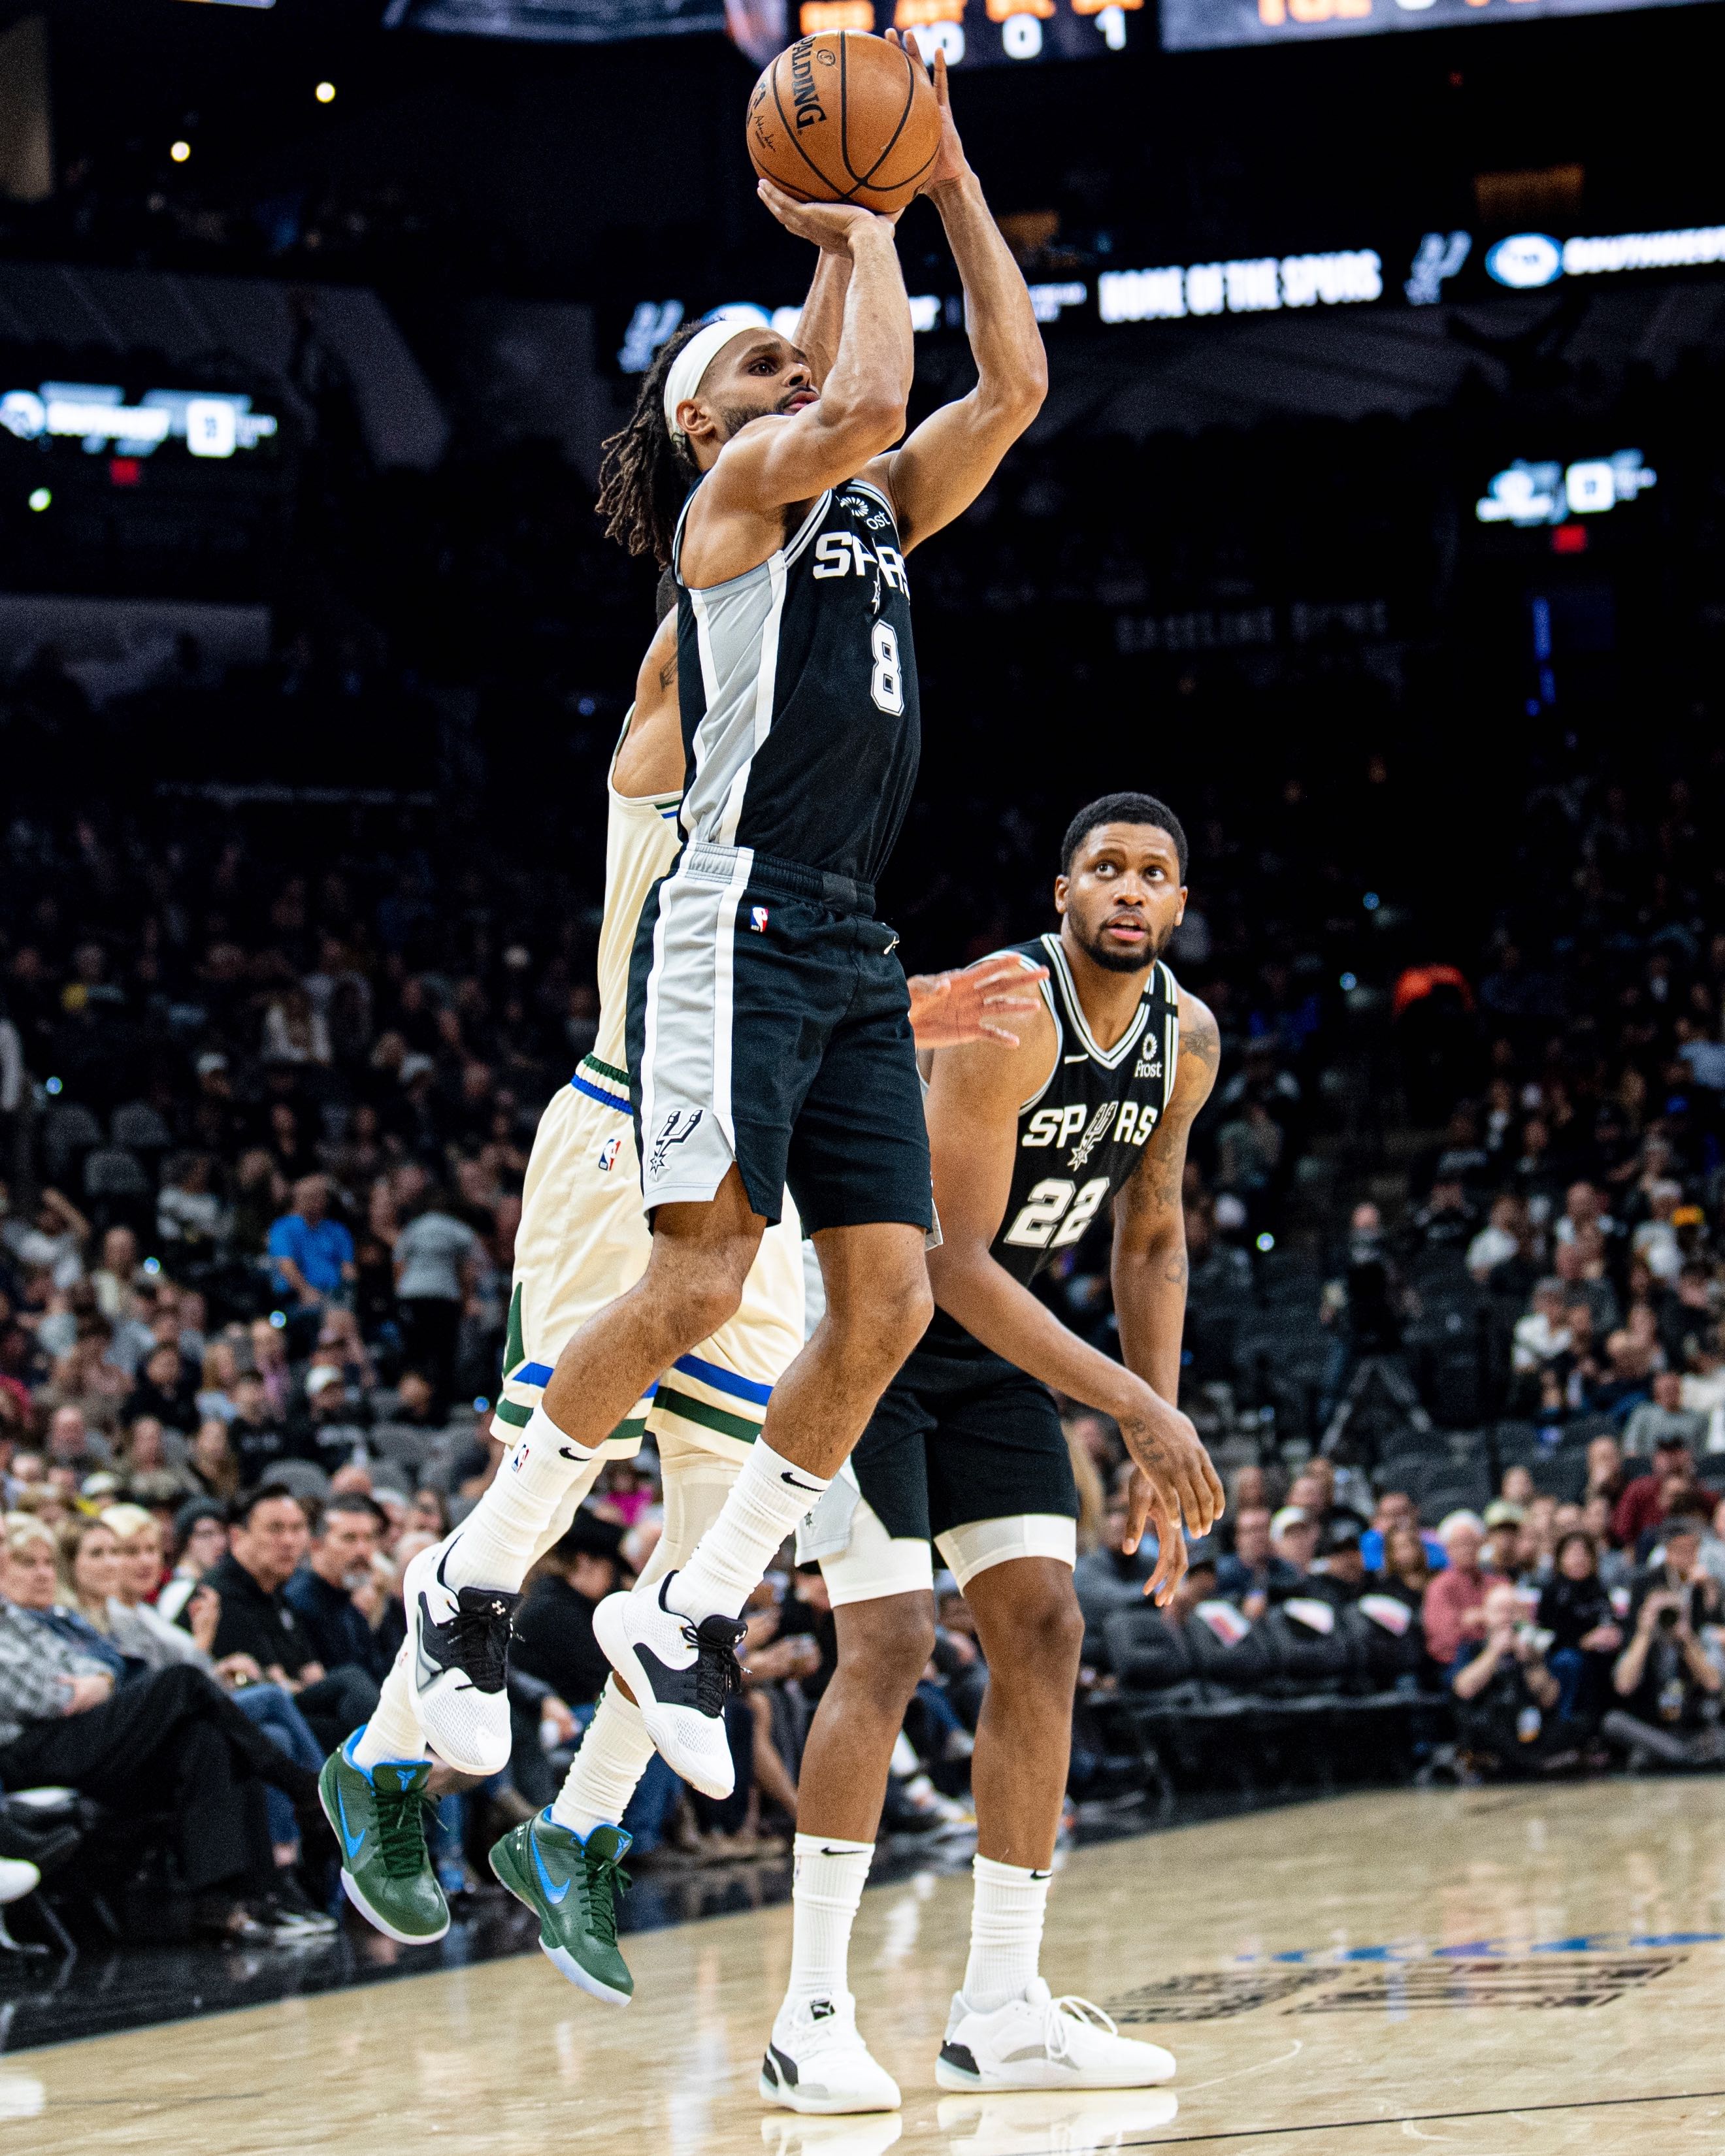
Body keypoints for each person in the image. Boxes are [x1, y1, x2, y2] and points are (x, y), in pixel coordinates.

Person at [318, 301, 1054, 1966]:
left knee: (743, 1517)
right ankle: (373, 1763)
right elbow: (843, 413)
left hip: (771, 1081)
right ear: (704, 435)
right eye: (756, 374)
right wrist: (853, 245)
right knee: (557, 1483)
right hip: (626, 1115)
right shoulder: (691, 641)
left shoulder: (820, 612)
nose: (799, 385)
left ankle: (576, 1823)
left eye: (793, 364)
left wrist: (900, 998)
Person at [766, 795, 1223, 2110]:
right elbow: (949, 1263)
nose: (1130, 892)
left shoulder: (1183, 1041)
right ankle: (811, 2014)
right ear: (1063, 891)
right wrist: (1138, 1409)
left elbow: (1152, 1236)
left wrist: (1154, 1412)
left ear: (1180, 906)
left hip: (992, 1338)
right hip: (872, 1316)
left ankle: (1002, 2013)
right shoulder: (1014, 1010)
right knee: (894, 1638)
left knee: (1044, 1629)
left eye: (1155, 875)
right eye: (1106, 871)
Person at [0, 1515, 329, 1939]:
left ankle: (235, 1900)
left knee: (206, 1739)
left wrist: (97, 1682)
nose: (43, 1573)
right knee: (183, 1682)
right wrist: (93, 1683)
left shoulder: (56, 1618)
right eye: (28, 1563)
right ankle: (301, 1786)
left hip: (79, 1736)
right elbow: (45, 1697)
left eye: (47, 1563)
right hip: (30, 1752)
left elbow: (104, 1667)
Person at [200, 1487, 378, 1751]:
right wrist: (290, 1681)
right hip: (236, 1720)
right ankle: (401, 1769)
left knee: (343, 1726)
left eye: (297, 1529)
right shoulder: (219, 1594)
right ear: (238, 1537)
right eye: (275, 1529)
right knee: (349, 1682)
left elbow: (311, 1673)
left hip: (286, 1711)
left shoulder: (276, 1593)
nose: (289, 1541)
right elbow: (268, 1682)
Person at [1604, 1514, 1725, 1766]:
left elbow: (1714, 1684)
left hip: (1690, 1715)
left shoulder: (1701, 1589)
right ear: (1668, 1551)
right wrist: (1646, 1631)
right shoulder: (1644, 1584)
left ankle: (1663, 1755)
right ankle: (1680, 1756)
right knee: (1613, 1722)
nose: (1689, 1556)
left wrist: (1685, 1636)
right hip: (1649, 1714)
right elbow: (1624, 1685)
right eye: (1682, 1549)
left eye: (1694, 1549)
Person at [1449, 1581, 1568, 1775]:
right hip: (1487, 1727)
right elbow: (1464, 1689)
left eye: (1512, 1612)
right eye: (1500, 1611)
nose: (1507, 1618)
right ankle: (1536, 1764)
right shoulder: (1472, 1649)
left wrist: (1532, 1663)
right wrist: (1493, 1653)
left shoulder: (1532, 1651)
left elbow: (1549, 1699)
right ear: (1486, 1615)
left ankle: (1532, 1762)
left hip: (1526, 1729)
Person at [283, 1495, 391, 1680]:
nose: (362, 1550)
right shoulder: (298, 1601)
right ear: (316, 1546)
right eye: (349, 1539)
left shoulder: (351, 1603)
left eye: (369, 1538)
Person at [1537, 1531, 1622, 1723]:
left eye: (1585, 1554)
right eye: (1573, 1553)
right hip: (1566, 1652)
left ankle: (1613, 1722)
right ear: (1560, 1559)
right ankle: (1567, 1722)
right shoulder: (1553, 1591)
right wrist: (1583, 1641)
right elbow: (1547, 1635)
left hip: (1601, 1652)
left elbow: (1609, 1619)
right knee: (1570, 1661)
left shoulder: (1599, 1588)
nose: (1580, 1559)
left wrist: (1613, 1634)